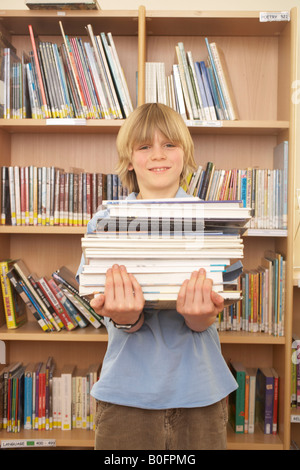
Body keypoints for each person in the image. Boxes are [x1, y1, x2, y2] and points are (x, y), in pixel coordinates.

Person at [77, 103, 237, 450]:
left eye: (169, 145)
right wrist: (125, 318)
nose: (158, 155)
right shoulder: (104, 222)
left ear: (185, 152)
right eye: (144, 146)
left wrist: (201, 318)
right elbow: (94, 296)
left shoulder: (213, 222)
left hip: (201, 395)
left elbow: (220, 301)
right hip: (126, 397)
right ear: (129, 159)